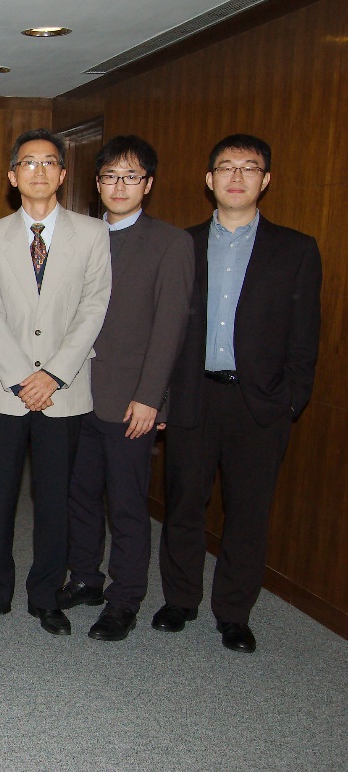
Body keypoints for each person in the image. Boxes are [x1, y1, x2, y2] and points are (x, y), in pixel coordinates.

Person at [155, 134, 321, 653]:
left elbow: (305, 335)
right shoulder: (179, 244)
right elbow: (162, 331)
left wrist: (289, 400)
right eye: (225, 168)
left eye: (249, 169)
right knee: (184, 503)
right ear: (209, 181)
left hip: (258, 403)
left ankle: (233, 612)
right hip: (192, 395)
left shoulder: (295, 249)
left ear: (265, 180)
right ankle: (180, 600)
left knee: (248, 511)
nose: (236, 177)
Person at [0, 128, 111, 636]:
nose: (38, 171)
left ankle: (46, 595)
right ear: (13, 176)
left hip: (64, 389)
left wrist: (52, 374)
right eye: (28, 163)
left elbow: (94, 306)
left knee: (55, 499)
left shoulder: (92, 234)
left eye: (49, 162)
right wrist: (21, 376)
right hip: (4, 389)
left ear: (63, 174)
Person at [59, 135, 193, 641]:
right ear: (96, 184)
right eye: (110, 176)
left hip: (130, 399)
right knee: (80, 496)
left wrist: (151, 396)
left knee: (128, 505)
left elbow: (170, 328)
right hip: (75, 394)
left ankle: (124, 598)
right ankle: (87, 579)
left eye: (131, 177)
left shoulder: (170, 243)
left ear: (148, 185)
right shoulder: (80, 236)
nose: (120, 186)